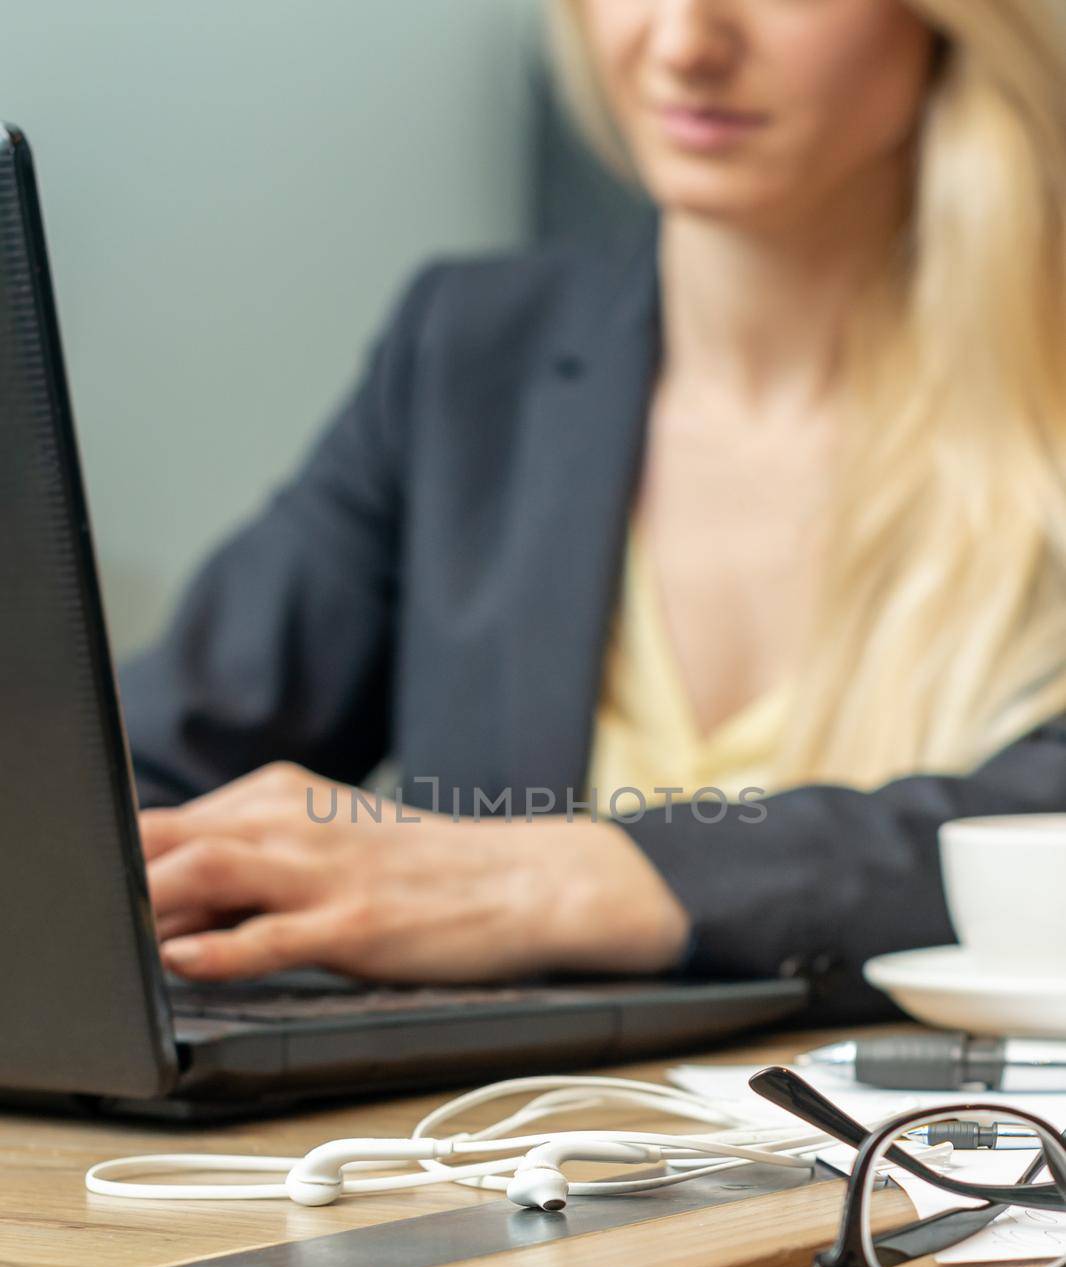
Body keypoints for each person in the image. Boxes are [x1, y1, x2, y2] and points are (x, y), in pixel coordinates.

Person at [119, 0, 1066, 1022]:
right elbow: (133, 770)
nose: (683, 44)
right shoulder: (470, 353)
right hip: (483, 1164)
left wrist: (573, 878)